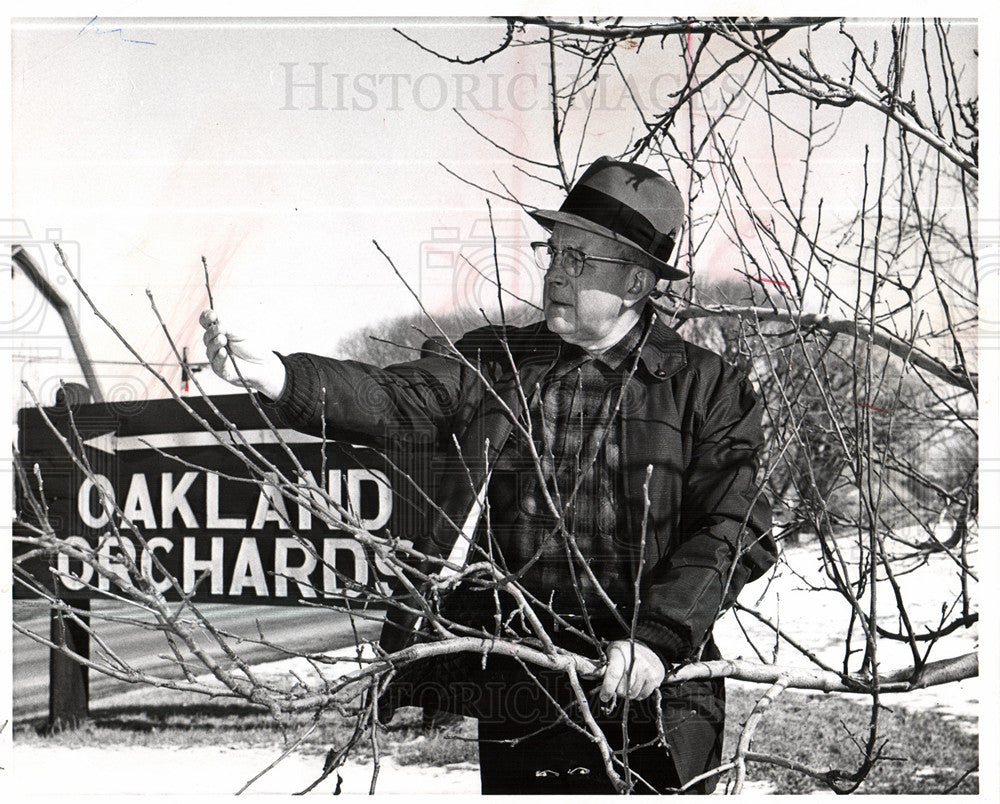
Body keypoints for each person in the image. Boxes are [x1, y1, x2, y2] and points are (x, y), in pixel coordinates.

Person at [200, 157, 776, 794]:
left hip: (651, 691)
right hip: (523, 679)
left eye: (579, 259)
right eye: (554, 251)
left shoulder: (707, 389)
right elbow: (395, 400)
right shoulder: (500, 360)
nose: (555, 271)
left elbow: (733, 527)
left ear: (637, 282)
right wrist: (281, 377)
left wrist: (657, 639)